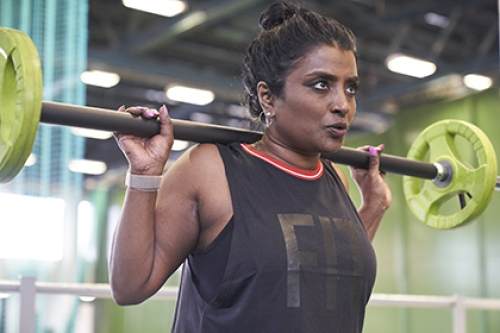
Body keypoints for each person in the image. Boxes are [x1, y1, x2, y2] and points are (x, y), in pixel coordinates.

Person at [109, 1, 392, 332]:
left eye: (350, 88)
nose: (342, 104)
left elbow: (323, 280)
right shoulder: (211, 170)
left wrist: (373, 207)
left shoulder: (335, 179)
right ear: (268, 97)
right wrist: (144, 175)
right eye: (321, 84)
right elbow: (130, 286)